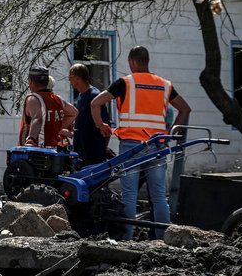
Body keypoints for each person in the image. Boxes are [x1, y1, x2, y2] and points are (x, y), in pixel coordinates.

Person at [91, 45, 191, 239]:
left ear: (132, 62)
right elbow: (185, 109)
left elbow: (95, 103)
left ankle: (126, 239)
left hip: (132, 146)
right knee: (159, 196)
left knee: (129, 195)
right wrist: (172, 133)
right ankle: (164, 240)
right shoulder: (165, 85)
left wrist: (100, 125)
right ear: (147, 61)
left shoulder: (124, 83)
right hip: (158, 146)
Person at [19, 65, 77, 147]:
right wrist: (58, 128)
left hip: (38, 152)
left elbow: (38, 119)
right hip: (54, 150)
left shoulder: (33, 98)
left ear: (31, 81)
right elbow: (73, 112)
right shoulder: (57, 99)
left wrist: (31, 139)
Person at [68, 63, 111, 165]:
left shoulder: (94, 96)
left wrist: (102, 149)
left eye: (70, 77)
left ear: (77, 78)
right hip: (80, 153)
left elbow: (106, 128)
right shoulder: (80, 96)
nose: (69, 80)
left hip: (93, 155)